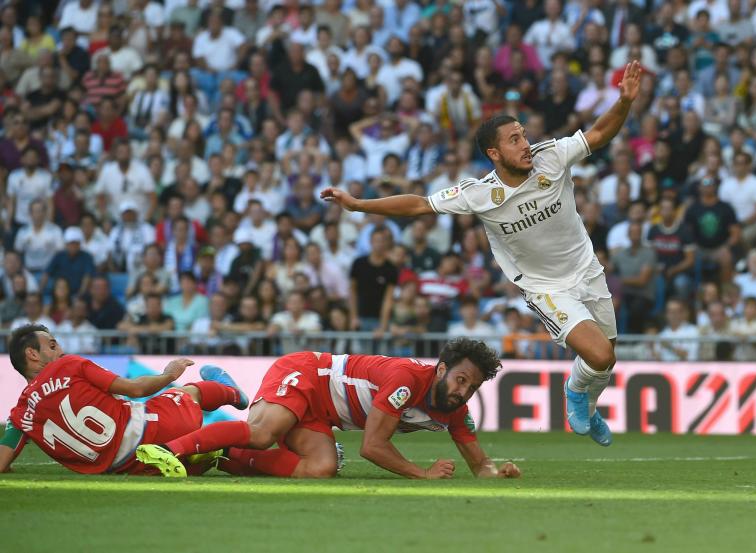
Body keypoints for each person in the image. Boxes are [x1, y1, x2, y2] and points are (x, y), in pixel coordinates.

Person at [322, 61, 644, 446]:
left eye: (523, 136)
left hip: (587, 269)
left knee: (606, 356)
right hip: (546, 287)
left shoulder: (551, 157)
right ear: (494, 152)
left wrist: (624, 101)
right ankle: (576, 394)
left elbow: (600, 133)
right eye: (514, 140)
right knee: (598, 355)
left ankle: (587, 407)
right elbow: (418, 204)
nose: (525, 144)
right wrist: (358, 205)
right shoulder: (479, 194)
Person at [137, 338, 520, 480]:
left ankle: (225, 456)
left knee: (320, 469)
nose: (463, 391)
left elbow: (478, 464)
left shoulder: (454, 409)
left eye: (472, 386)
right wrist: (421, 474)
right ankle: (172, 450)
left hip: (323, 413)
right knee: (263, 434)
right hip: (307, 373)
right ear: (440, 370)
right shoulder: (406, 381)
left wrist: (495, 471)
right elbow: (372, 446)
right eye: (460, 379)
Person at [0, 324, 249, 476]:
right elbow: (135, 389)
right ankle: (232, 392)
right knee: (186, 394)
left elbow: (1, 463)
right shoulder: (69, 365)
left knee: (214, 456)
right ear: (32, 354)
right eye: (52, 345)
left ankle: (210, 455)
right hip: (151, 431)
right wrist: (169, 374)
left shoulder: (20, 415)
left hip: (132, 467)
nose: (60, 351)